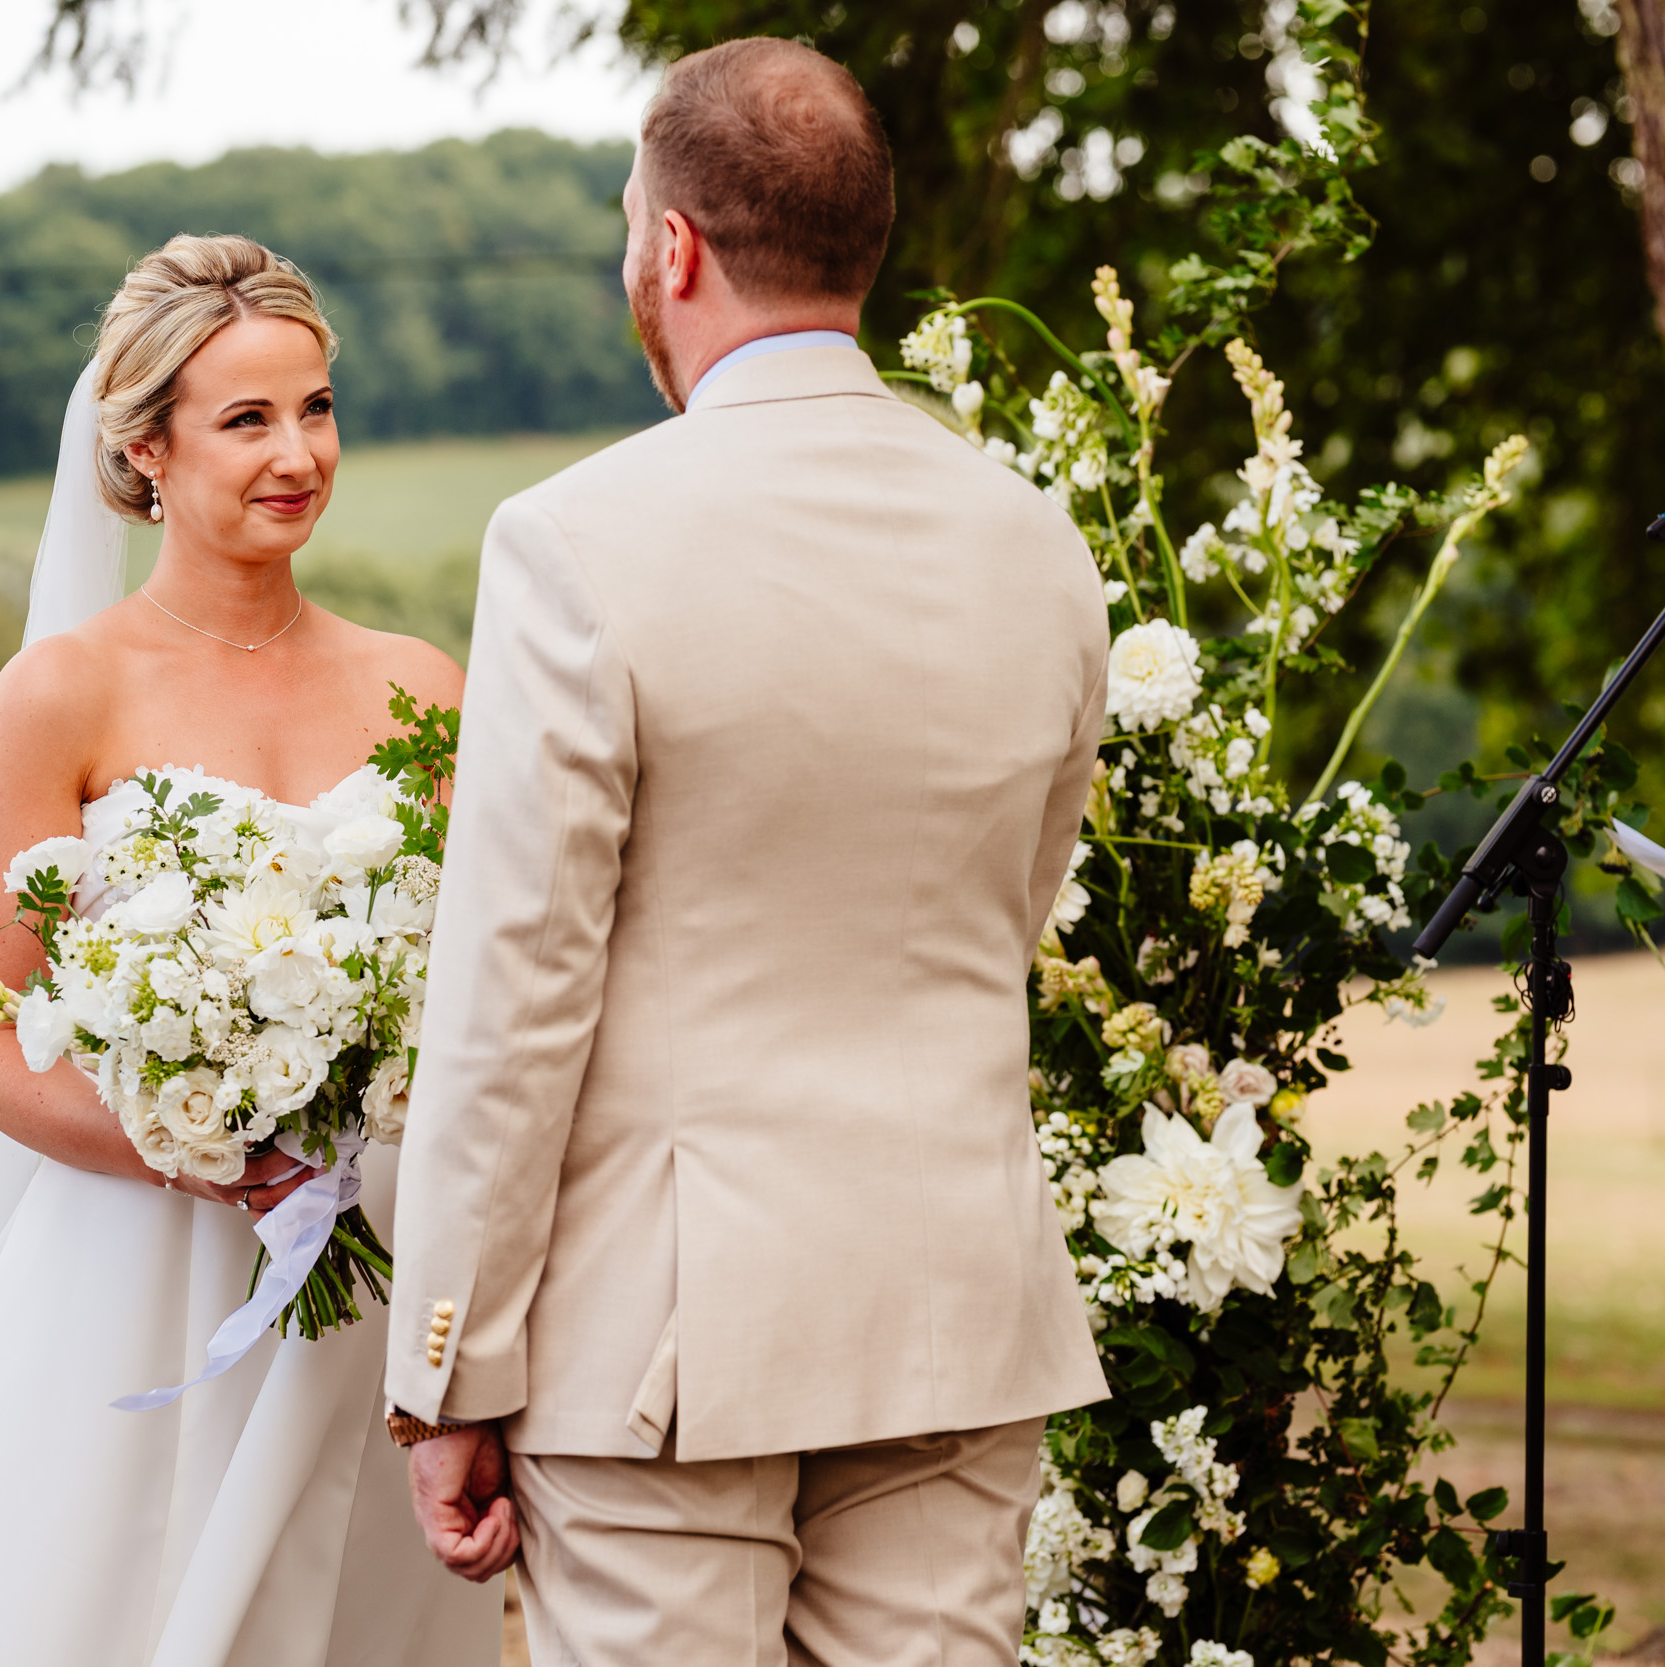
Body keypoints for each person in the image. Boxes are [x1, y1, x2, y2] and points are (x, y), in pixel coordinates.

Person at [382, 35, 1111, 1666]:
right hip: (952, 1299)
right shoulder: (1036, 544)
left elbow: (515, 992)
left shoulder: (574, 543)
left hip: (664, 1345)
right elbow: (1014, 905)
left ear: (674, 248)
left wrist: (450, 1364)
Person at [0, 234, 501, 1665]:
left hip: (373, 1270)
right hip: (138, 1266)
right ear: (144, 448)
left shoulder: (423, 688)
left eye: (317, 408)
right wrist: (204, 1149)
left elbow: (487, 995)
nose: (299, 455)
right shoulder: (58, 698)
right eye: (248, 419)